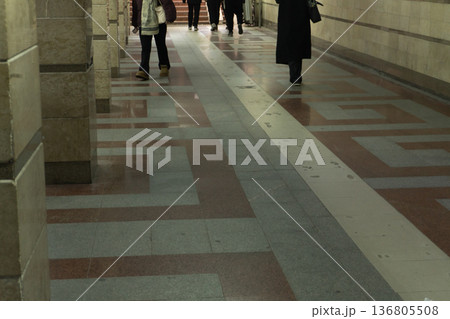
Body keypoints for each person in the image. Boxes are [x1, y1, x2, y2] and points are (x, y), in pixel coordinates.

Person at [132, 0, 172, 79]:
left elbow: (167, 2)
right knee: (145, 47)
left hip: (159, 20)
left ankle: (164, 66)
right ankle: (143, 70)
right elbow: (136, 7)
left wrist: (170, 16)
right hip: (143, 21)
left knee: (160, 44)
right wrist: (135, 22)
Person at [275, 0, 311, 85]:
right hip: (302, 14)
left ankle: (295, 75)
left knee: (290, 44)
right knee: (299, 43)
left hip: (287, 16)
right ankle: (296, 75)